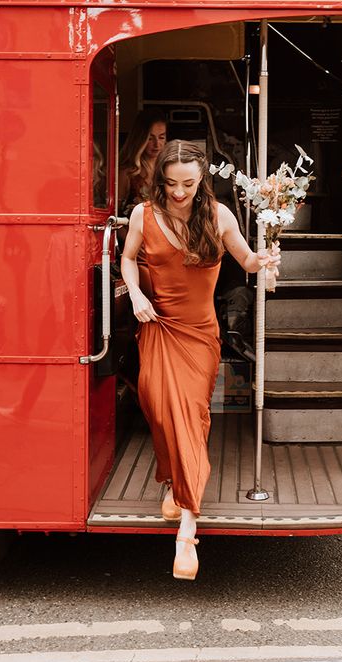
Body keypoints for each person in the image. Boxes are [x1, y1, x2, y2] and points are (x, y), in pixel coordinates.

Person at [120, 140, 280, 580]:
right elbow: (128, 258)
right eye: (170, 183)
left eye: (188, 183)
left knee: (189, 415)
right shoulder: (142, 214)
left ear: (202, 179)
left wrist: (264, 260)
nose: (178, 192)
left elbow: (247, 260)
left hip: (199, 335)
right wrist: (135, 293)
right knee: (156, 406)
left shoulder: (219, 215)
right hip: (157, 326)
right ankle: (174, 481)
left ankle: (187, 529)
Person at [117, 108, 167, 216]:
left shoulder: (169, 169)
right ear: (140, 138)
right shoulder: (128, 172)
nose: (157, 144)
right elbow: (115, 214)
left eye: (161, 137)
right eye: (150, 138)